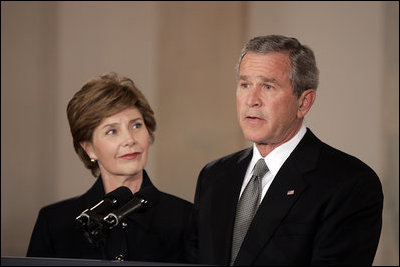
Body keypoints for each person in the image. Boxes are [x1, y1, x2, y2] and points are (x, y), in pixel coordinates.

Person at [185, 35, 383, 266]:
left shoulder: (349, 183)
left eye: (268, 86)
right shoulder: (214, 176)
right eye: (245, 84)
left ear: (303, 103)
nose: (252, 100)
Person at [27, 72, 193, 263]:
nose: (129, 140)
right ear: (89, 148)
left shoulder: (185, 217)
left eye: (136, 125)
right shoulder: (55, 222)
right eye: (112, 131)